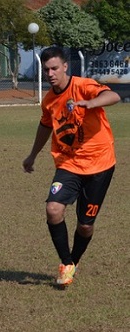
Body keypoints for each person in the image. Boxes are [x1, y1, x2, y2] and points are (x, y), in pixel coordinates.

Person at [22, 46, 120, 288]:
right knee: (53, 210)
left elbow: (113, 96)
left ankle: (73, 261)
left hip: (100, 163)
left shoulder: (83, 85)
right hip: (68, 163)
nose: (51, 73)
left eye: (55, 68)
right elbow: (45, 126)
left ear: (66, 66)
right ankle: (66, 264)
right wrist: (32, 155)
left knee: (85, 226)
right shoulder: (49, 100)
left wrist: (90, 103)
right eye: (46, 70)